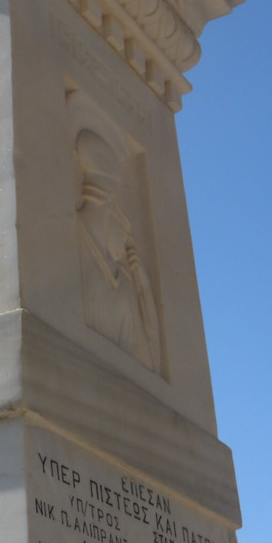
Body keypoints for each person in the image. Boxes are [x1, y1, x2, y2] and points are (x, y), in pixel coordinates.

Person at [75, 128, 162, 373]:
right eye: (127, 230)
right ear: (111, 210)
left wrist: (141, 282)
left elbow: (147, 361)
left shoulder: (125, 278)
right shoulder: (74, 247)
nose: (128, 241)